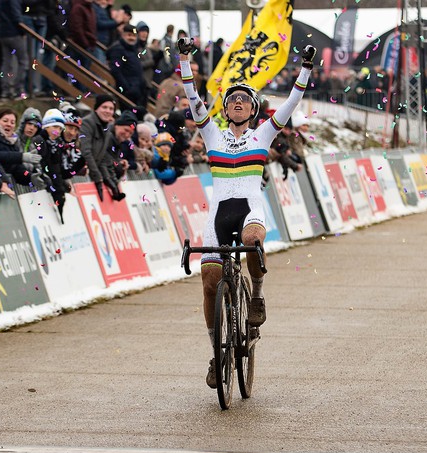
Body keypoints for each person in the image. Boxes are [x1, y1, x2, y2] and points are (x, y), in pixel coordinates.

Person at [178, 38, 315, 388]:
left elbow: (292, 101)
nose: (238, 103)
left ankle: (256, 295)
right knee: (209, 284)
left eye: (244, 100)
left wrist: (306, 69)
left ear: (253, 110)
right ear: (226, 110)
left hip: (250, 207)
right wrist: (183, 58)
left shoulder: (263, 134)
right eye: (232, 100)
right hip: (218, 215)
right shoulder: (212, 134)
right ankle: (216, 353)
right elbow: (192, 96)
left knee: (253, 239)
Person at [80, 94, 125, 201]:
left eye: (111, 109)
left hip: (93, 173)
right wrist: (98, 177)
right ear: (96, 109)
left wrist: (111, 182)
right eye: (104, 107)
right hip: (82, 172)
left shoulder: (107, 129)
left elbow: (103, 158)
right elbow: (86, 152)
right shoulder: (87, 123)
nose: (108, 111)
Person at [0, 108, 41, 186]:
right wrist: (21, 157)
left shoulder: (12, 141)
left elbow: (16, 168)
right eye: (5, 121)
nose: (9, 124)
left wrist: (31, 177)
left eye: (12, 122)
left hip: (3, 186)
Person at [107, 24, 147, 107]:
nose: (132, 38)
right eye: (129, 35)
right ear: (123, 35)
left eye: (134, 36)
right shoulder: (118, 49)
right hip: (128, 91)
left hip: (138, 89)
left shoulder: (133, 49)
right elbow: (115, 70)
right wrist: (127, 88)